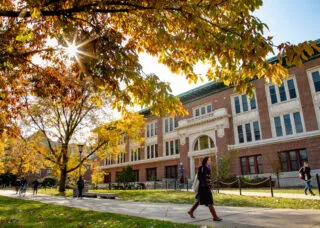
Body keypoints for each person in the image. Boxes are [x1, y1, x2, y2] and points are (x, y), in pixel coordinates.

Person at [188, 157, 222, 222]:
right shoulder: (202, 168)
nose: (210, 161)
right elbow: (200, 177)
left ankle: (191, 211)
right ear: (206, 161)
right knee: (210, 201)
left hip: (206, 187)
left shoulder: (208, 168)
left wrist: (210, 184)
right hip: (203, 188)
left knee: (200, 200)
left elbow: (207, 178)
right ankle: (215, 217)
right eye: (209, 160)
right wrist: (206, 184)